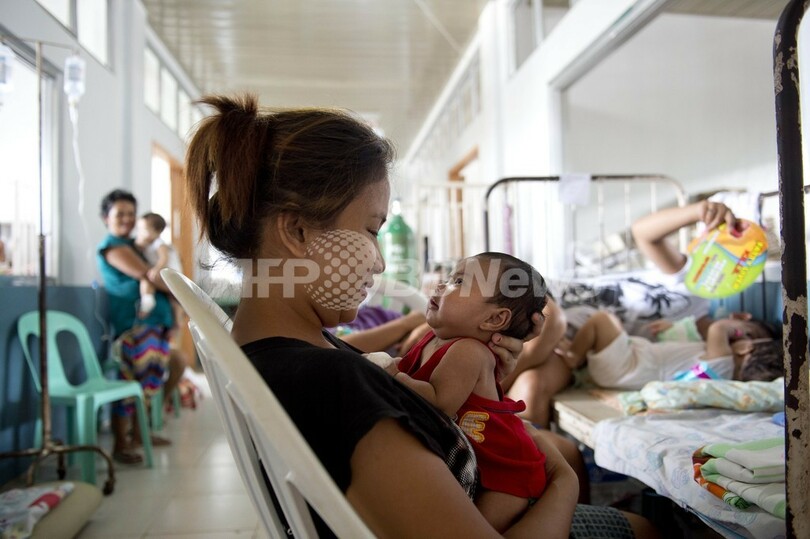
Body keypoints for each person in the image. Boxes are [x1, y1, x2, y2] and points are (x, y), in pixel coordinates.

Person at [184, 93, 656, 538]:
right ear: (297, 229)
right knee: (644, 528)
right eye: (371, 230)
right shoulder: (328, 381)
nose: (381, 261)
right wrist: (563, 484)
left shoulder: (286, 351)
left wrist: (480, 382)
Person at [395, 252, 550, 532]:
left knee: (476, 529)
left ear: (494, 320)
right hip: (476, 461)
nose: (442, 285)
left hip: (509, 472)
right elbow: (407, 370)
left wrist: (391, 375)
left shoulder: (468, 352)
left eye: (458, 281)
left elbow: (438, 403)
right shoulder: (432, 338)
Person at [97, 190, 183, 463]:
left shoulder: (137, 246)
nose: (126, 218)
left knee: (151, 379)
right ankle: (122, 444)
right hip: (134, 325)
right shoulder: (113, 247)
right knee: (131, 380)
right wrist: (176, 291)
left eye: (130, 213)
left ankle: (139, 433)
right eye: (119, 213)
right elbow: (149, 276)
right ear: (105, 218)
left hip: (154, 323)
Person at [554, 309, 776, 389]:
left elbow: (718, 327)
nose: (739, 336)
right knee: (610, 327)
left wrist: (738, 325)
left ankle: (574, 356)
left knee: (604, 320)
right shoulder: (719, 375)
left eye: (746, 335)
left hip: (630, 365)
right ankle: (579, 356)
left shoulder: (723, 363)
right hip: (627, 371)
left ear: (745, 348)